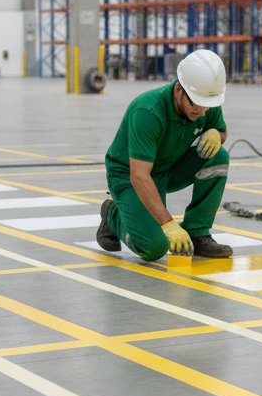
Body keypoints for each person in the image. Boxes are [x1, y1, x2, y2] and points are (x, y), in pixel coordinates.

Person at [96, 48, 234, 261]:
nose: (202, 112)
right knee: (154, 247)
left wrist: (218, 134)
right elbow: (139, 175)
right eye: (196, 105)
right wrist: (168, 224)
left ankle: (197, 233)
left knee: (219, 157)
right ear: (179, 89)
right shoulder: (148, 111)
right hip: (130, 177)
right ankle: (112, 215)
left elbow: (221, 132)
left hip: (170, 166)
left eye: (207, 106)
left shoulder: (205, 100)